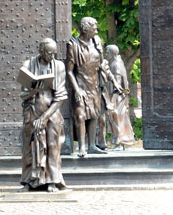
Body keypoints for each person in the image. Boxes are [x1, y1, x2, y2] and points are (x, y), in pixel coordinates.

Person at [19, 38, 68, 193]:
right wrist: (33, 92)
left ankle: (53, 180)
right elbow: (23, 95)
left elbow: (60, 97)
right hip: (32, 111)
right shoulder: (28, 65)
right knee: (29, 147)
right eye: (49, 53)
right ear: (41, 50)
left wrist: (45, 117)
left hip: (51, 112)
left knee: (53, 146)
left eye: (54, 53)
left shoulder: (59, 66)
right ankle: (29, 181)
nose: (52, 57)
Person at [67, 17, 120, 157]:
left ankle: (91, 145)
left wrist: (113, 82)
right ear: (85, 29)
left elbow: (103, 65)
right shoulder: (74, 45)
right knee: (81, 116)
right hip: (81, 86)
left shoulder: (97, 43)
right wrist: (77, 89)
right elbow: (69, 71)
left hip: (95, 85)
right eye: (94, 27)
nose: (96, 30)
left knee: (94, 115)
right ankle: (82, 147)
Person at [105, 45, 135, 150]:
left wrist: (111, 102)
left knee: (116, 119)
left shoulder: (115, 65)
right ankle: (119, 143)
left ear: (113, 54)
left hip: (117, 97)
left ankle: (119, 143)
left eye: (107, 52)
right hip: (120, 97)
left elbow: (117, 85)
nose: (106, 54)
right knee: (118, 119)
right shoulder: (118, 63)